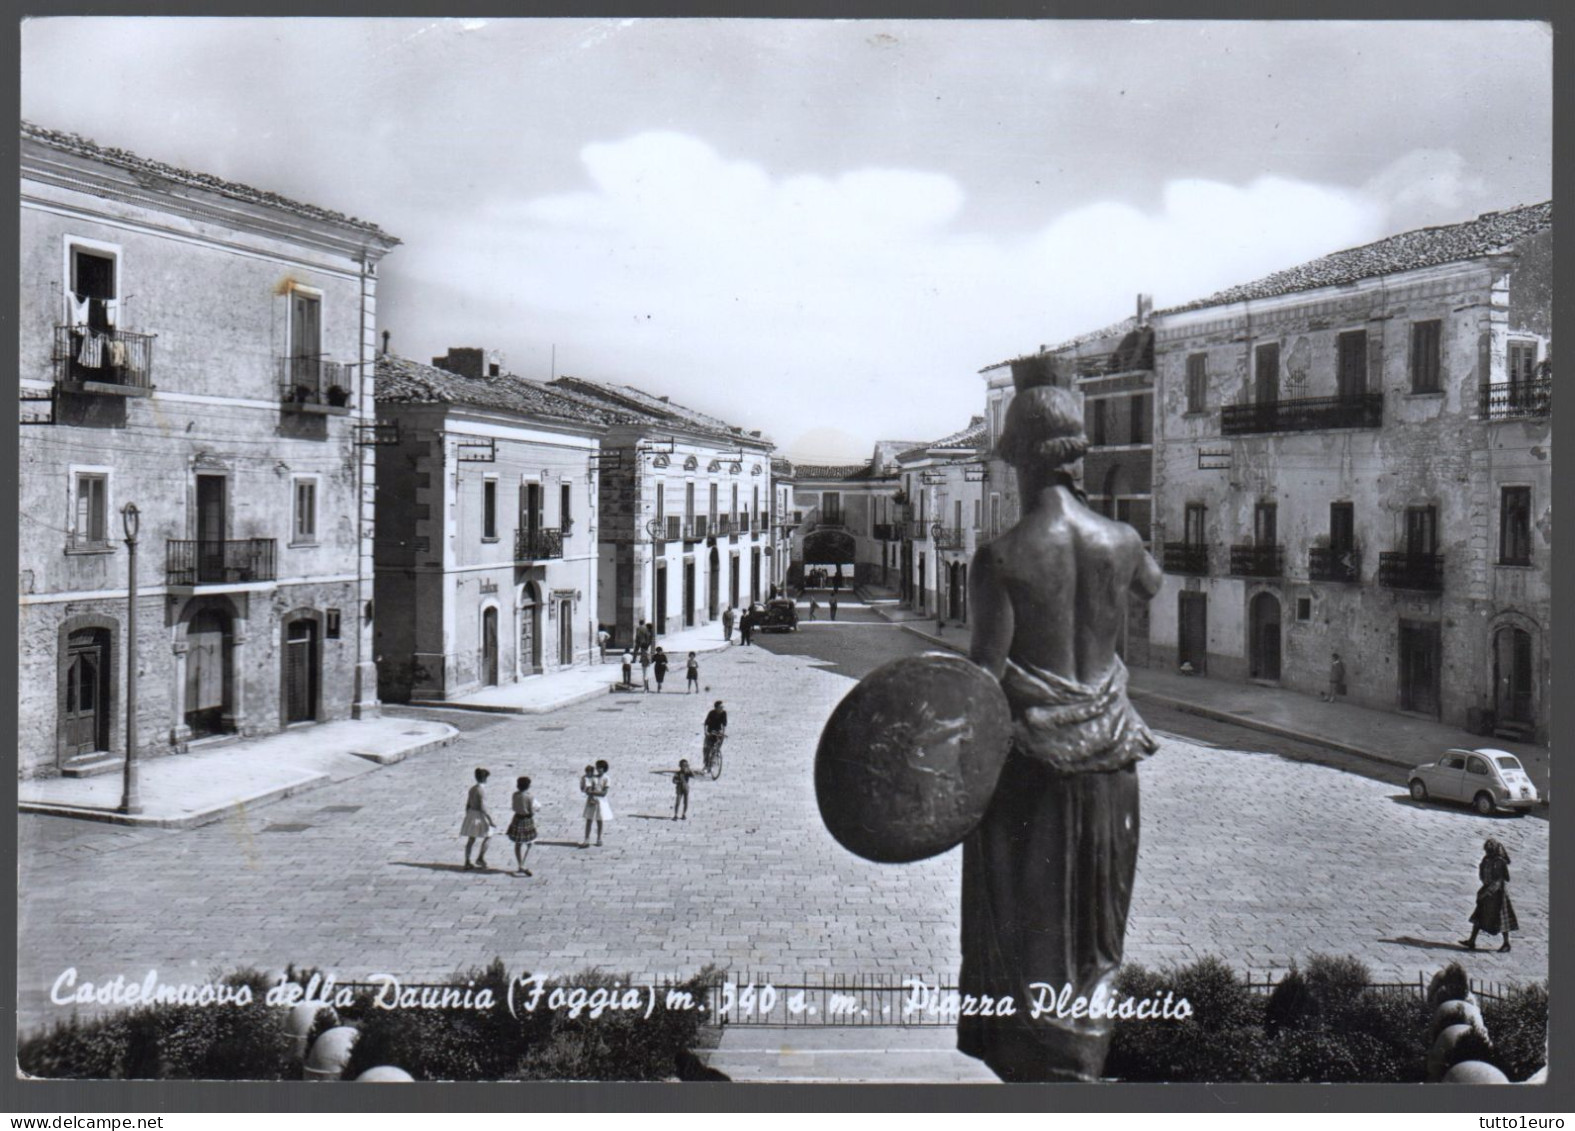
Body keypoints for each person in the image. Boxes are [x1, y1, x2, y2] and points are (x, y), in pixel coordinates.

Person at [959, 378, 1162, 1083]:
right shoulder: (1123, 540)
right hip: (1113, 771)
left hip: (1032, 777)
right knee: (1096, 945)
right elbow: (1153, 581)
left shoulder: (1001, 556)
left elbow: (983, 680)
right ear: (1075, 456)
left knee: (1031, 951)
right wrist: (1098, 511)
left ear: (1016, 457)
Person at [1461, 838, 1518, 953]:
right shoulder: (1486, 859)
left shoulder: (1499, 862)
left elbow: (1499, 880)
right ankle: (1472, 940)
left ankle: (1506, 943)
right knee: (1479, 915)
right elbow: (1483, 874)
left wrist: (1487, 892)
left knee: (1501, 919)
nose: (1487, 853)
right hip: (1486, 891)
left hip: (1497, 895)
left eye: (1489, 851)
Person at [460, 767, 495, 871]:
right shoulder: (481, 790)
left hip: (471, 813)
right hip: (479, 815)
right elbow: (483, 807)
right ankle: (480, 857)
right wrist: (491, 820)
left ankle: (467, 861)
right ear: (485, 779)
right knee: (489, 835)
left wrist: (468, 816)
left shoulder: (472, 789)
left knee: (471, 839)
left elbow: (467, 804)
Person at [506, 776, 537, 876]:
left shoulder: (515, 795)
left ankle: (520, 863)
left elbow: (514, 807)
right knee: (529, 842)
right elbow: (531, 811)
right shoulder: (529, 796)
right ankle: (522, 864)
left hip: (517, 819)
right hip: (526, 820)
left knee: (518, 844)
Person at [579, 764, 602, 848]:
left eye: (590, 772)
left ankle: (599, 838)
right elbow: (582, 789)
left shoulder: (596, 778)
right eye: (587, 772)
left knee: (599, 819)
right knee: (589, 819)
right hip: (590, 800)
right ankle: (587, 838)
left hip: (597, 800)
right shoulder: (585, 779)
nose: (589, 773)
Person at [703, 701, 728, 772]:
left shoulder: (724, 713)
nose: (721, 709)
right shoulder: (711, 713)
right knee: (706, 748)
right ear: (716, 708)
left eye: (722, 707)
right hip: (710, 731)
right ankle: (706, 763)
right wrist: (706, 732)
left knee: (718, 745)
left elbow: (724, 724)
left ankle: (715, 754)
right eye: (720, 707)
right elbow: (706, 723)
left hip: (718, 731)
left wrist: (723, 733)